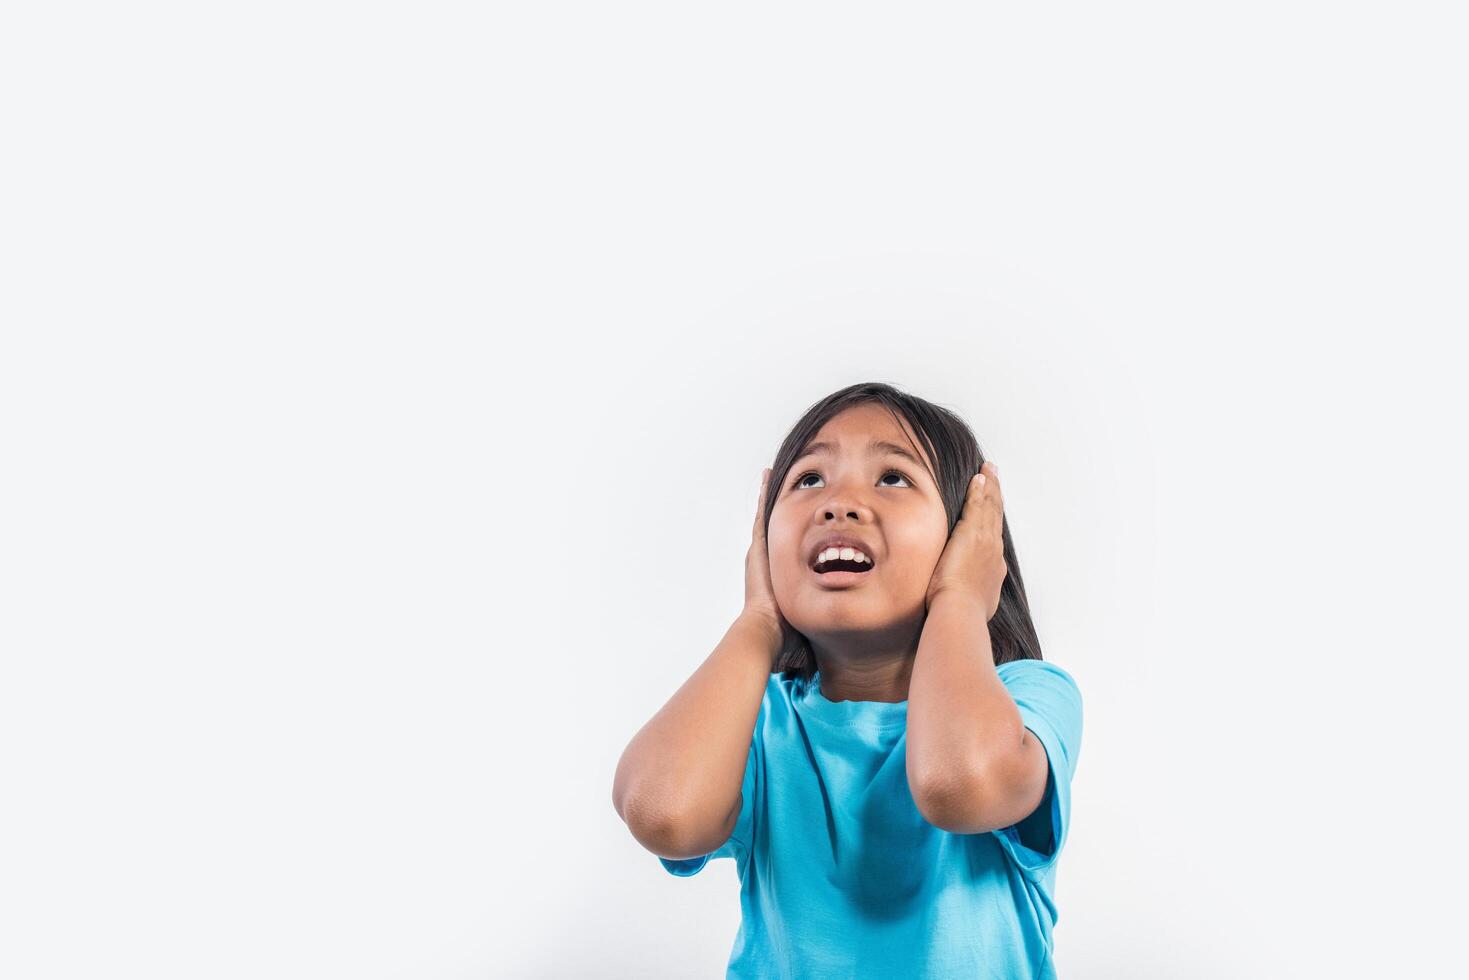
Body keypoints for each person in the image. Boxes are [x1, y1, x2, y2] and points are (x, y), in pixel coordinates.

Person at [612, 381, 1084, 979]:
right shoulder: (756, 725)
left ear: (970, 537)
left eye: (893, 477)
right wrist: (758, 622)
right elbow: (665, 815)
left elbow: (960, 783)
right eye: (809, 479)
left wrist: (961, 600)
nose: (839, 504)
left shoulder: (1028, 701)